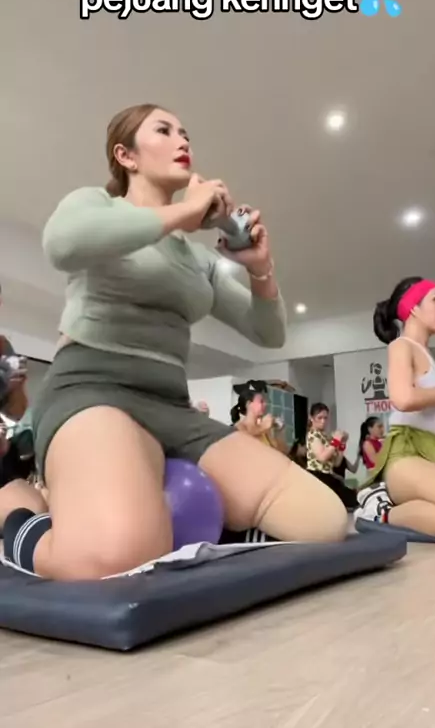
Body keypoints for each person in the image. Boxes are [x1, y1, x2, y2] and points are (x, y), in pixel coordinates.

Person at [3, 103, 347, 579]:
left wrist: (259, 269)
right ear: (126, 156)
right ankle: (18, 515)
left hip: (171, 406)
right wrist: (184, 211)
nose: (182, 140)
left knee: (322, 520)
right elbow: (62, 245)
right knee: (119, 556)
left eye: (185, 133)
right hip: (90, 391)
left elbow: (269, 333)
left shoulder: (196, 260)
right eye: (163, 130)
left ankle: (207, 526)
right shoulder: (97, 205)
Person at [355, 277, 435, 540]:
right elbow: (402, 399)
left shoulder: (430, 359)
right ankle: (381, 512)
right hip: (409, 455)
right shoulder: (401, 346)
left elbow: (434, 410)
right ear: (413, 307)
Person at [0, 287, 47, 524]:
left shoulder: (3, 348)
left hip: (6, 455)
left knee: (34, 507)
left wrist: (16, 387)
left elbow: (17, 411)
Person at [305, 403, 358, 510]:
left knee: (353, 498)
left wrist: (342, 443)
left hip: (328, 475)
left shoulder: (325, 436)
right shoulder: (313, 435)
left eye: (325, 418)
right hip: (317, 476)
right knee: (348, 500)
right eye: (319, 418)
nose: (323, 421)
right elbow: (322, 457)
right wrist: (336, 441)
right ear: (311, 418)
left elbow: (337, 463)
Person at [230, 380, 289, 454]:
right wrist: (263, 427)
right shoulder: (239, 427)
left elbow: (282, 452)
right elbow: (244, 444)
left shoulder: (265, 431)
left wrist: (279, 431)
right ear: (249, 404)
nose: (265, 404)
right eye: (261, 401)